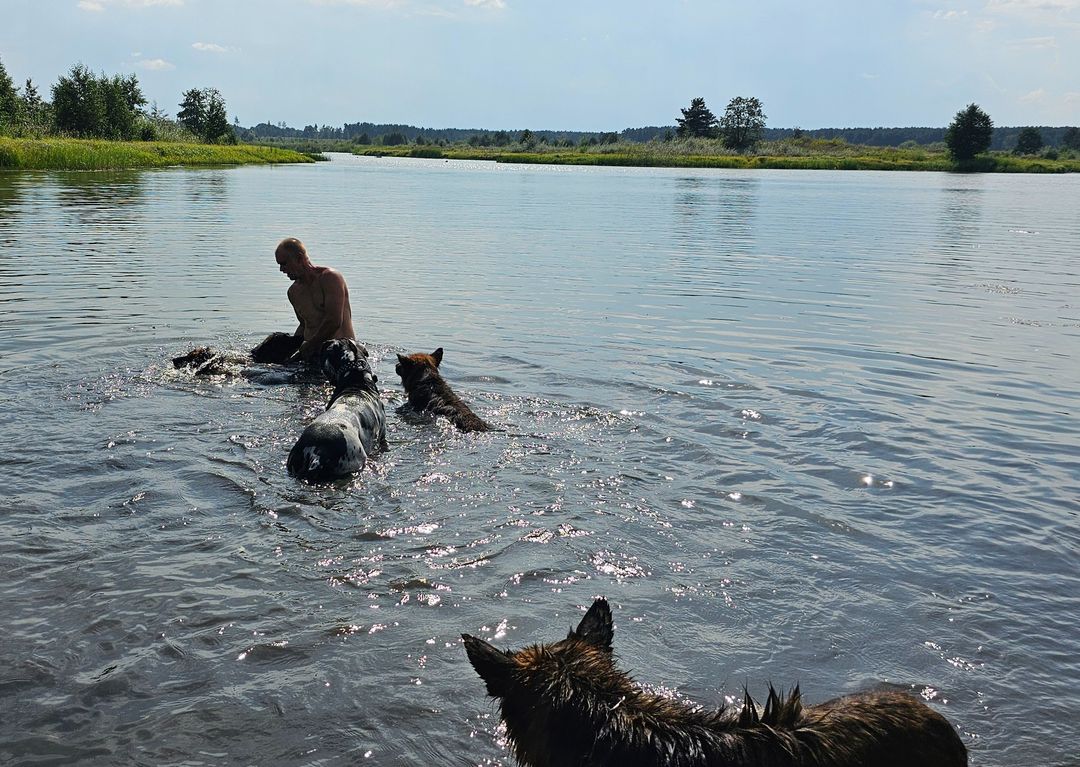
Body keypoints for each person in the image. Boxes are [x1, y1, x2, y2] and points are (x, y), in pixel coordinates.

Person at [273, 237, 356, 363]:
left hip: (340, 352)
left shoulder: (330, 278)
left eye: (284, 263)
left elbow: (334, 321)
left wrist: (310, 345)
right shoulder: (293, 292)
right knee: (274, 343)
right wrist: (290, 350)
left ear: (299, 258)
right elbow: (304, 325)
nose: (281, 269)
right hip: (312, 355)